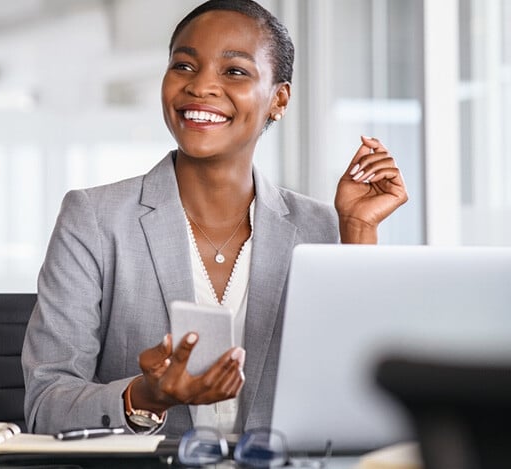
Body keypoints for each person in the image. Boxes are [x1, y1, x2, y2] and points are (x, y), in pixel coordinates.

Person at [22, 0, 408, 437]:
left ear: (279, 99)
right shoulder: (94, 220)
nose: (201, 86)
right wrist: (146, 397)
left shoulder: (322, 229)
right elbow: (45, 404)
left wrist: (357, 232)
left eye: (235, 71)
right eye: (184, 66)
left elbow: (363, 394)